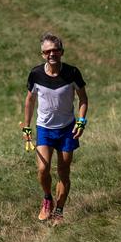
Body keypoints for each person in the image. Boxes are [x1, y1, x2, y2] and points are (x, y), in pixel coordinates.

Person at [21, 33, 88, 224]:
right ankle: (47, 198)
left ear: (61, 52)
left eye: (55, 50)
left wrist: (81, 122)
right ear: (42, 54)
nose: (52, 54)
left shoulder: (72, 73)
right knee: (43, 169)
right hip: (44, 128)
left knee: (63, 171)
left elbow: (83, 99)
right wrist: (26, 129)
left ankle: (59, 211)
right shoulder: (36, 74)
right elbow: (29, 100)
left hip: (67, 129)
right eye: (47, 51)